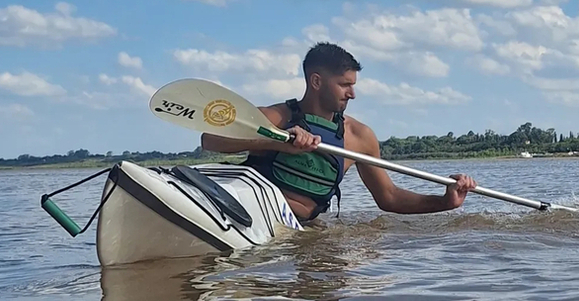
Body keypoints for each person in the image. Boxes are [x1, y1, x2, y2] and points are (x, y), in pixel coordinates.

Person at [201, 42, 477, 222]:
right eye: (345, 85)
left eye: (353, 85)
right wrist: (278, 141)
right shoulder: (277, 117)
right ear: (317, 81)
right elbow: (210, 140)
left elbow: (389, 197)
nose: (352, 94)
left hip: (303, 230)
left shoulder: (359, 137)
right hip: (255, 214)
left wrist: (444, 202)